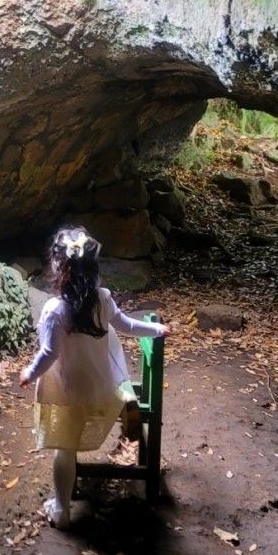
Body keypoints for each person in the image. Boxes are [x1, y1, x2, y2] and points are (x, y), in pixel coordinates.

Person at [19, 226, 169, 529]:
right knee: (110, 341)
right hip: (102, 387)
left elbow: (48, 354)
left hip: (69, 392)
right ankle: (125, 396)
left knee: (65, 449)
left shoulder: (54, 311)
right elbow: (126, 325)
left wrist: (29, 373)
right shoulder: (103, 299)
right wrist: (156, 330)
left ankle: (61, 510)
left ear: (57, 268)